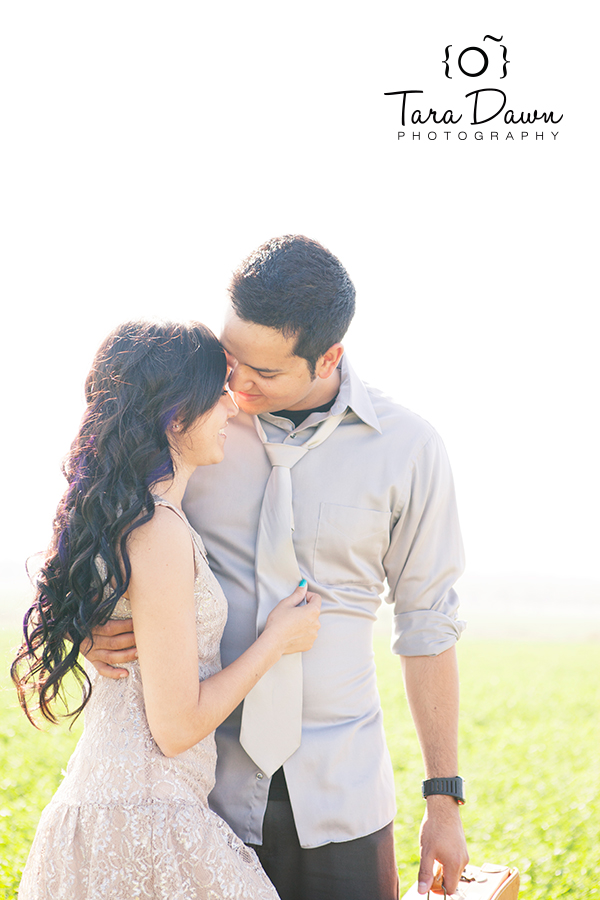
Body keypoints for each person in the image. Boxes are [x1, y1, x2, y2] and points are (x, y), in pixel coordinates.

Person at [88, 236, 469, 900]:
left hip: (344, 799)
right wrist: (92, 624)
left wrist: (444, 801)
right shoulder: (189, 429)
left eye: (262, 373)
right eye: (232, 359)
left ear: (328, 357)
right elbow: (95, 527)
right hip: (201, 796)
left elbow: (428, 627)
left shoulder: (410, 450)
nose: (236, 384)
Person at [11, 320, 322, 899]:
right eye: (219, 391)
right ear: (177, 416)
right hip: (144, 813)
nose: (233, 405)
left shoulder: (138, 519)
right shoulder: (157, 530)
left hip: (121, 802)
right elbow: (176, 727)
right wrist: (277, 639)